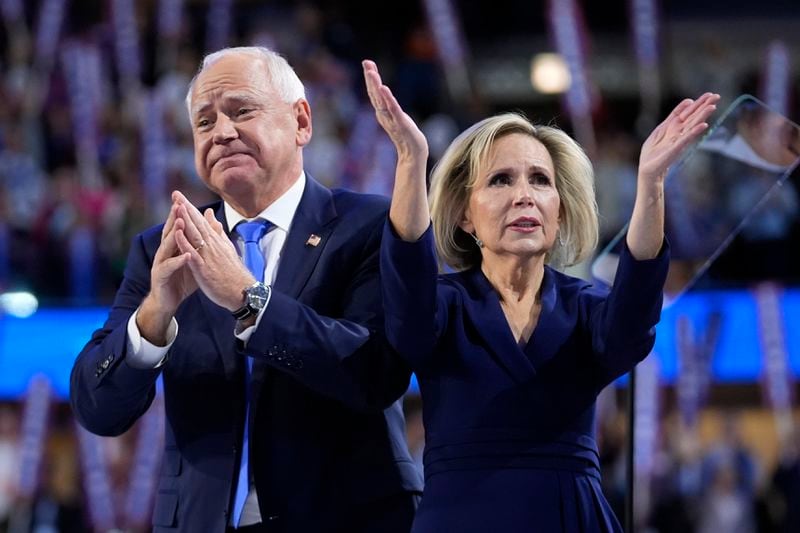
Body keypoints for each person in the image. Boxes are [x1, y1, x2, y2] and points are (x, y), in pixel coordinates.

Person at [70, 47, 423, 533]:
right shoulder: (165, 247)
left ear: (301, 121)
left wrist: (249, 298)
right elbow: (97, 409)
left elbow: (376, 373)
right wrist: (154, 316)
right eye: (204, 121)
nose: (222, 132)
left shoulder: (367, 226)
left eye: (241, 111)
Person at [363, 59, 718, 532]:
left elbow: (633, 324)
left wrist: (650, 182)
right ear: (465, 217)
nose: (524, 195)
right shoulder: (443, 305)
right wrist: (411, 160)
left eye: (540, 180)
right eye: (500, 180)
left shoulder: (587, 309)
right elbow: (407, 300)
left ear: (561, 211)